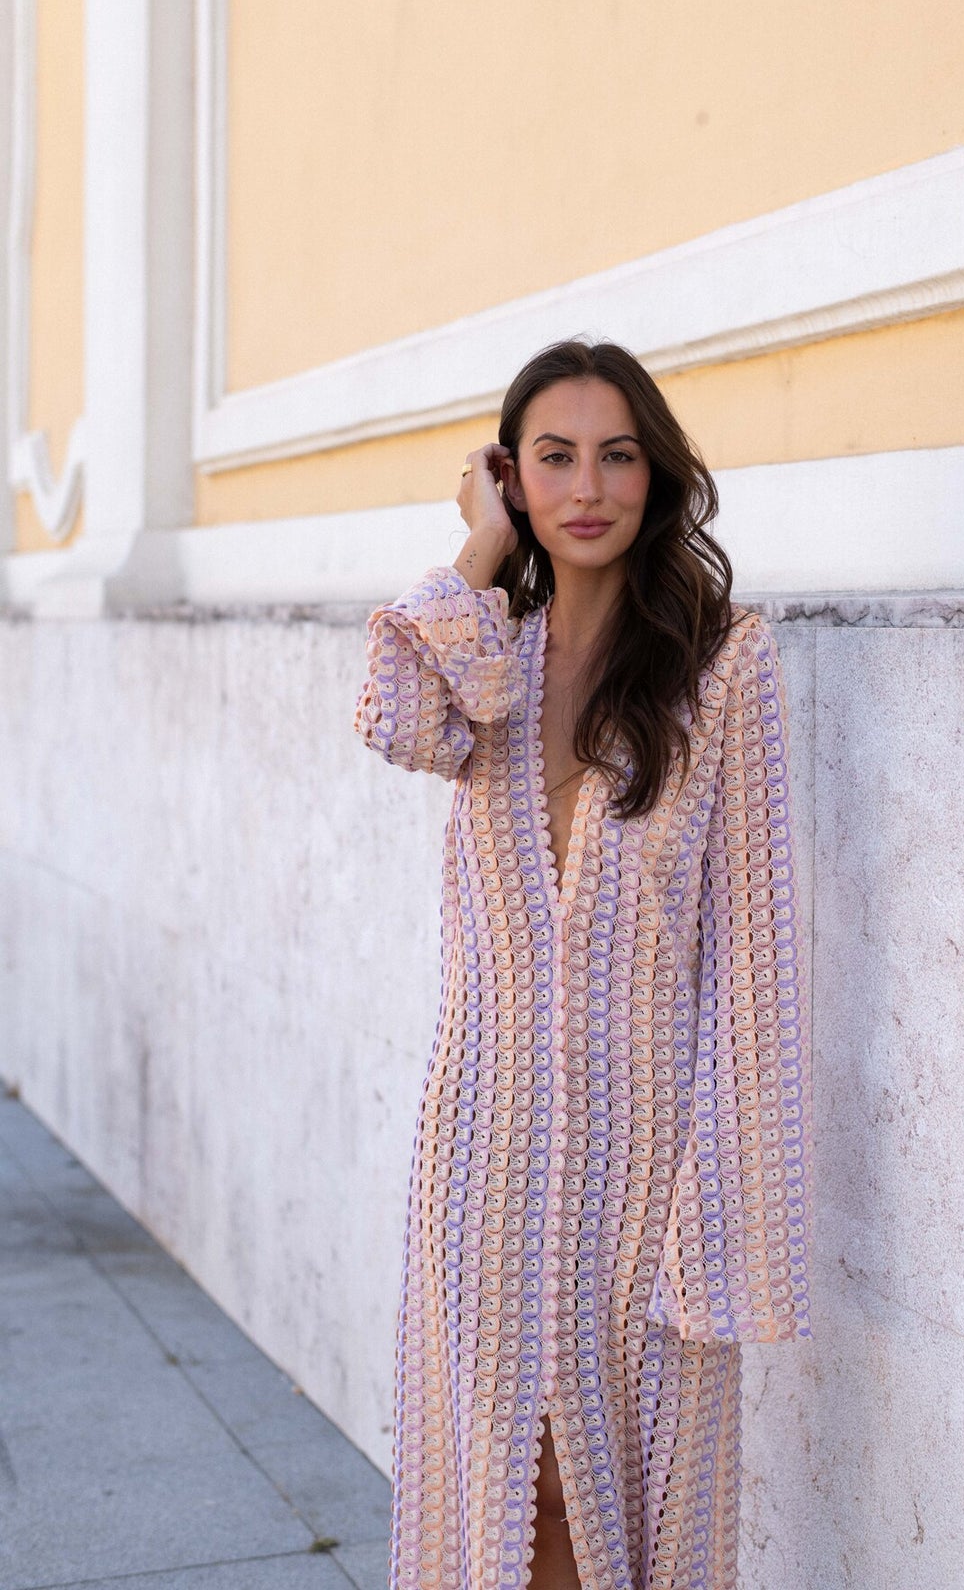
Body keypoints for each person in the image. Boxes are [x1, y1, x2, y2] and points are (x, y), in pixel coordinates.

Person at [355, 338, 810, 1590]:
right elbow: (391, 718)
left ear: (657, 478)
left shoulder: (723, 669)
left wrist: (722, 1206)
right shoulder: (486, 658)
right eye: (553, 458)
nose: (590, 485)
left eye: (619, 454)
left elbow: (756, 966)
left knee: (623, 1506)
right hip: (482, 1154)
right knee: (506, 1500)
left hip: (651, 1170)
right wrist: (479, 553)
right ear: (513, 480)